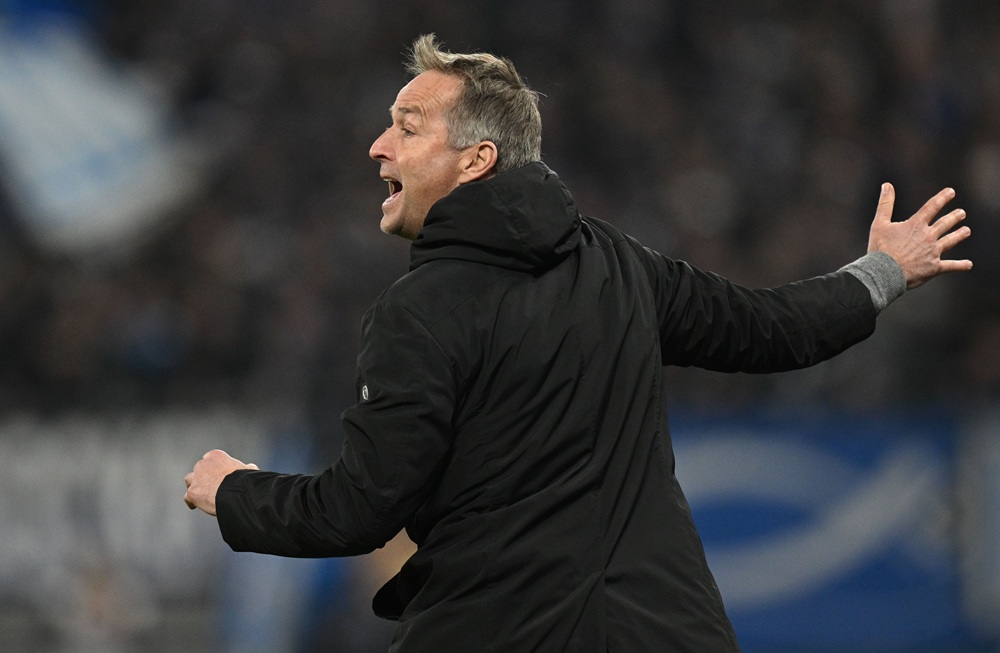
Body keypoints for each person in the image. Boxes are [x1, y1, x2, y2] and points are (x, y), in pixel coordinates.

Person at [184, 34, 972, 652]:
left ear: (476, 159)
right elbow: (773, 329)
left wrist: (236, 491)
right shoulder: (619, 263)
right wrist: (882, 272)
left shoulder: (418, 313)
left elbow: (356, 511)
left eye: (406, 124)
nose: (377, 146)